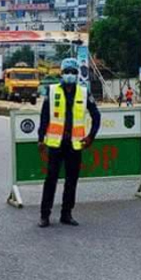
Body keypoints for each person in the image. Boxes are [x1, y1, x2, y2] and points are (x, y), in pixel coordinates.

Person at [37, 58, 101, 228]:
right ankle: (45, 215)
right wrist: (40, 138)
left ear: (77, 74)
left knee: (71, 181)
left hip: (75, 144)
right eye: (67, 72)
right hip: (56, 143)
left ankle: (67, 214)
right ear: (62, 73)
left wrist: (90, 137)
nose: (70, 75)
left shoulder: (83, 92)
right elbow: (44, 117)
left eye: (73, 72)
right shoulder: (51, 91)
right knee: (51, 179)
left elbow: (96, 116)